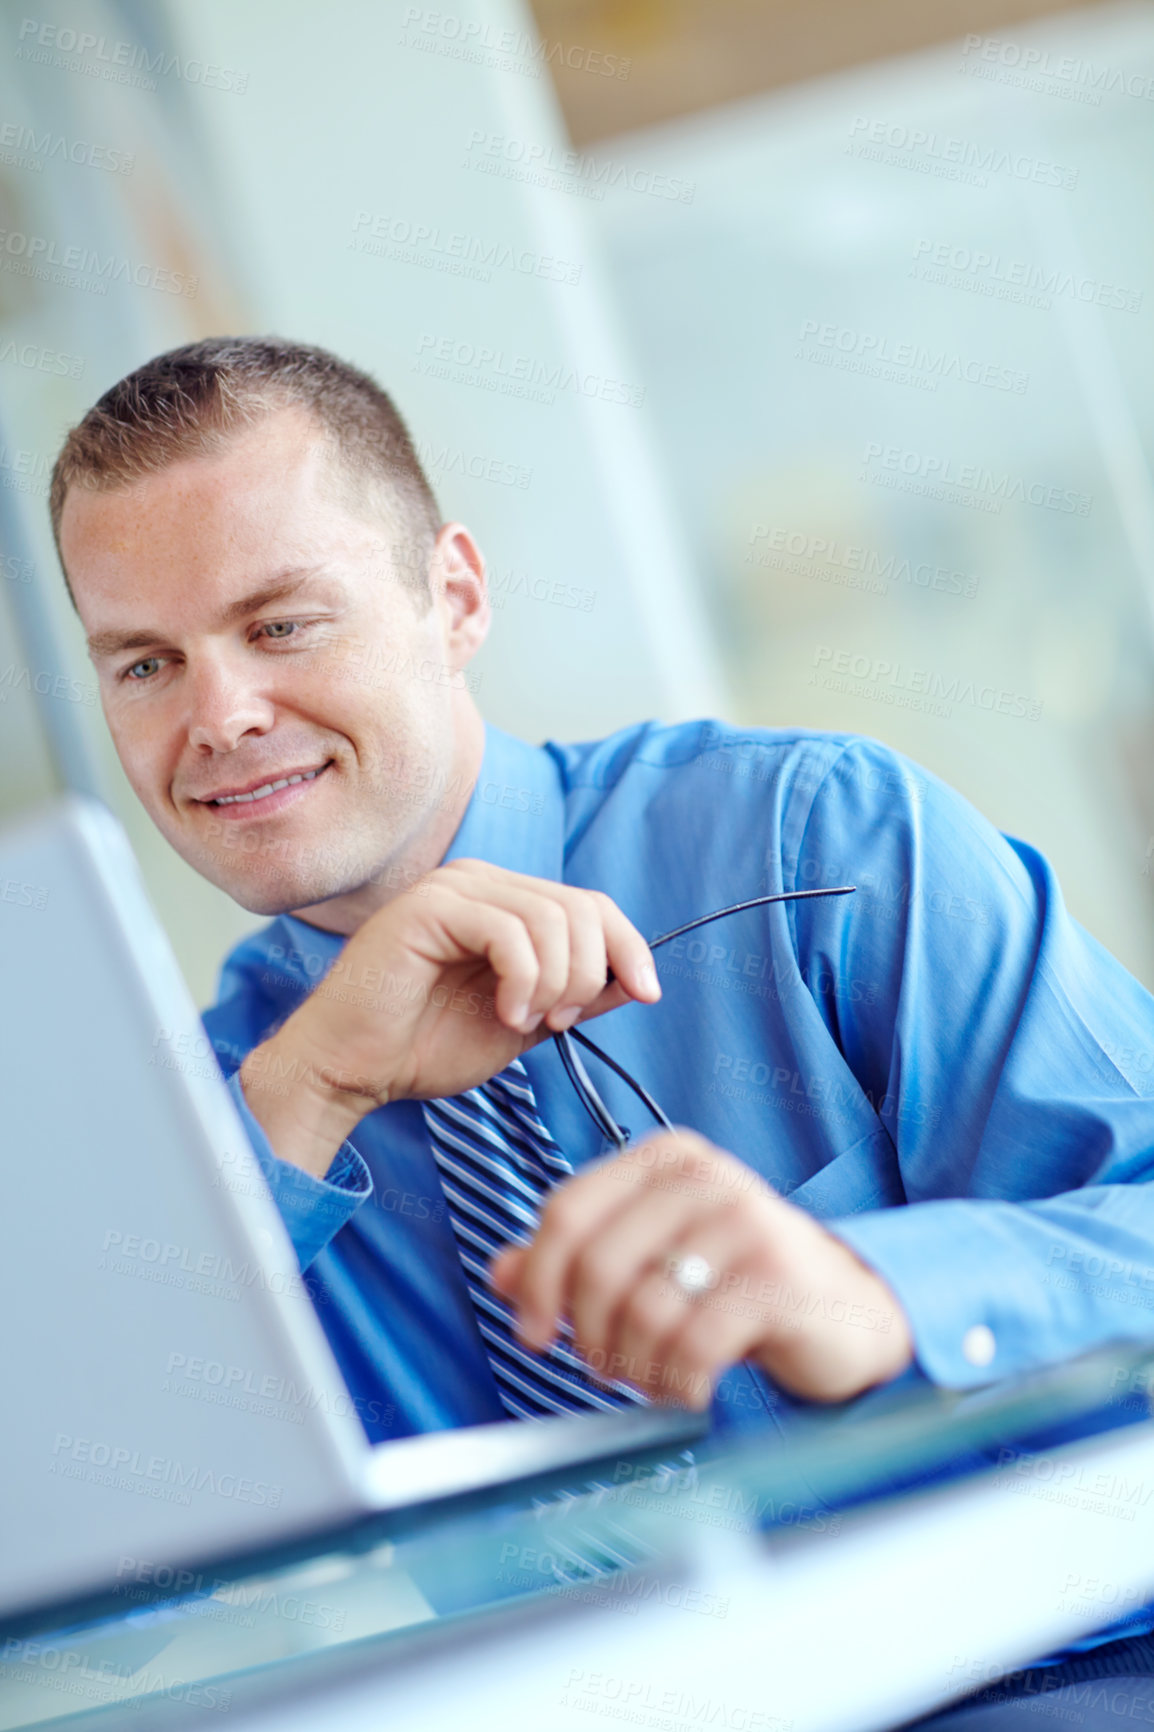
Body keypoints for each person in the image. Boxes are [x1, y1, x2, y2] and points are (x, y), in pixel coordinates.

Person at [48, 335, 1154, 1720]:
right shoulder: (211, 1117)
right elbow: (87, 1618)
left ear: (451, 598)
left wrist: (881, 1296)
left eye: (280, 625)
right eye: (144, 664)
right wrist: (300, 1098)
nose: (218, 717)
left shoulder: (812, 844)